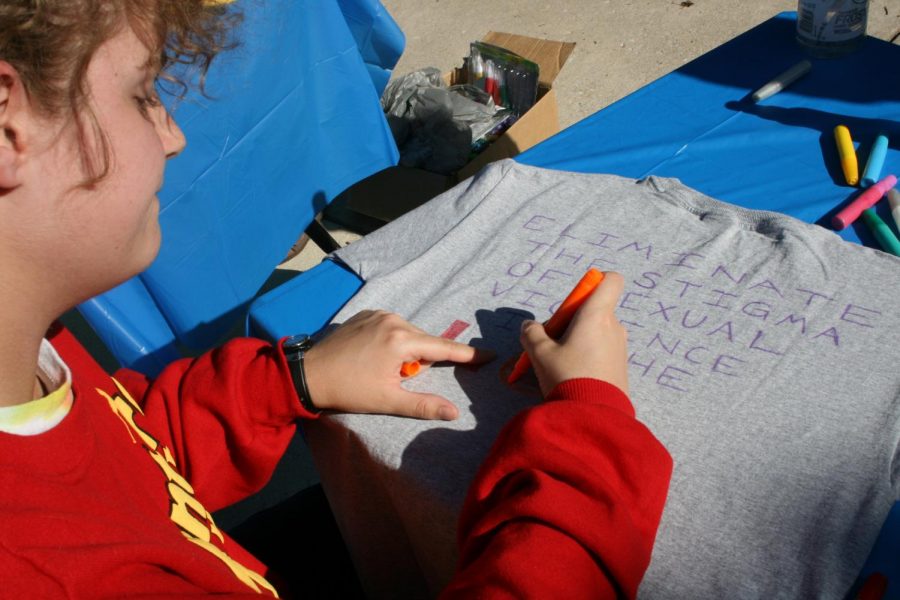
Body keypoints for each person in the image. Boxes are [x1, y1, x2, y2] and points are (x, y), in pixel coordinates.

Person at [0, 1, 672, 598]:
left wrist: (291, 378)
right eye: (144, 94)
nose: (174, 136)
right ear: (8, 129)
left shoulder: (29, 354)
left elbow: (119, 460)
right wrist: (592, 432)